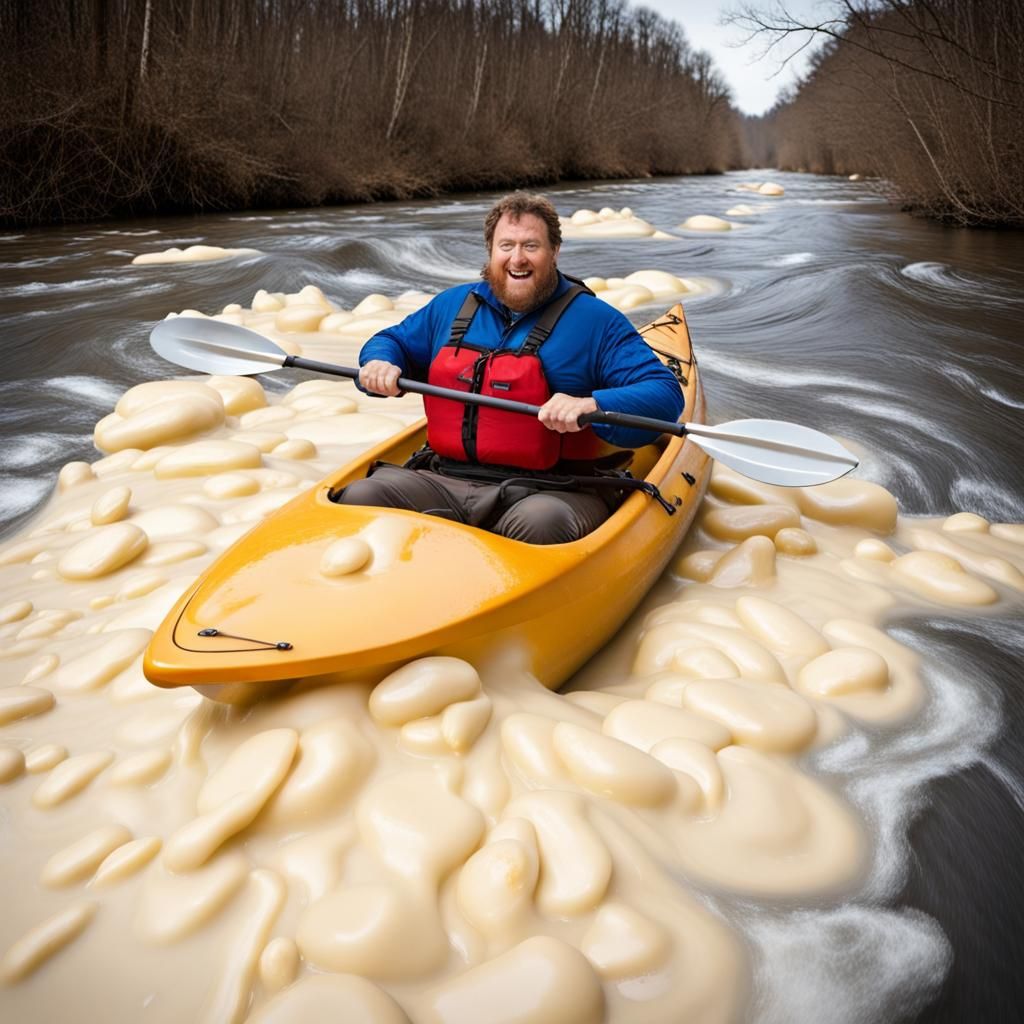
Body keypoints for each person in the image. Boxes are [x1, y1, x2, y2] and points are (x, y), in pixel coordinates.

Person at [337, 191, 684, 544]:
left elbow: (665, 395)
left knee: (541, 523)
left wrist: (591, 404)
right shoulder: (452, 306)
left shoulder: (597, 322)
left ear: (554, 251)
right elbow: (390, 340)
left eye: (531, 246)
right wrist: (380, 362)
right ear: (491, 250)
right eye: (507, 246)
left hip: (551, 489)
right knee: (362, 495)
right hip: (443, 477)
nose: (517, 258)